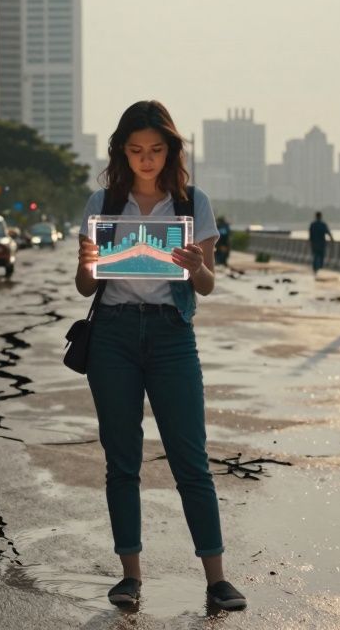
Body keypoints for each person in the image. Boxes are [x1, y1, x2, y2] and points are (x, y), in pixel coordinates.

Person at [75, 100, 247, 611]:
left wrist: (196, 266)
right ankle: (130, 576)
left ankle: (217, 578)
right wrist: (89, 264)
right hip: (113, 336)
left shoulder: (193, 204)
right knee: (121, 458)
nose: (145, 159)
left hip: (173, 336)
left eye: (155, 150)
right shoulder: (102, 203)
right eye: (135, 151)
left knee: (190, 457)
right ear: (121, 153)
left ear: (170, 150)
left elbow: (209, 286)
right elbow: (85, 286)